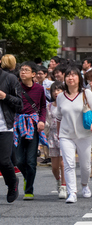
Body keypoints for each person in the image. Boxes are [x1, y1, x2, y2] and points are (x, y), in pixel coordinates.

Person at [56, 66, 92, 203]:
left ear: (79, 78)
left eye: (74, 75)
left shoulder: (87, 94)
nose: (70, 78)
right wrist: (59, 135)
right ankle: (72, 192)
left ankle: (85, 185)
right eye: (68, 75)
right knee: (69, 164)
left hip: (84, 134)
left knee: (85, 165)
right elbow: (58, 117)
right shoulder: (60, 97)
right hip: (66, 135)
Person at [13, 61, 47, 200]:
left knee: (31, 161)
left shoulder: (39, 89)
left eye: (26, 70)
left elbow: (43, 107)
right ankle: (28, 178)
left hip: (33, 125)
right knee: (19, 160)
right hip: (18, 125)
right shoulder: (15, 88)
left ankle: (29, 189)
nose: (23, 72)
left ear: (33, 74)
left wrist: (41, 121)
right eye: (21, 70)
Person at [0, 63, 22, 202]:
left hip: (4, 126)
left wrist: (5, 97)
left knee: (3, 161)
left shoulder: (9, 78)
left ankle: (12, 182)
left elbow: (20, 104)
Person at [46, 81, 67, 199]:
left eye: (59, 90)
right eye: (54, 90)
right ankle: (58, 180)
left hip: (64, 135)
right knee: (54, 167)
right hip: (53, 136)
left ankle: (64, 186)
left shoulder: (66, 105)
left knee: (63, 163)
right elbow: (47, 122)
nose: (56, 92)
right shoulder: (49, 106)